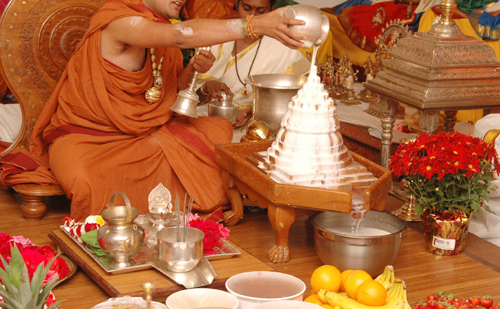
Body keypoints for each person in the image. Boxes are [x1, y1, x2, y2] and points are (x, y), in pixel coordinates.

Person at [0, 0, 307, 220]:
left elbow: (161, 92)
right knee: (86, 180)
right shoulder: (120, 20)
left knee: (218, 130)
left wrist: (190, 73)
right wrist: (256, 25)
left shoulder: (157, 30)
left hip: (144, 134)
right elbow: (180, 34)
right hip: (90, 139)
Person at [195, 0, 311, 139]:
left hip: (254, 126)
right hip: (205, 117)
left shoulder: (282, 46)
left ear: (271, 10)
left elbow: (302, 93)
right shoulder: (218, 33)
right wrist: (207, 86)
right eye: (247, 8)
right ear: (237, 4)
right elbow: (187, 90)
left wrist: (256, 110)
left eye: (261, 11)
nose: (252, 16)